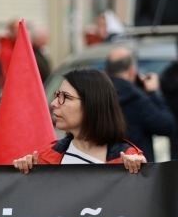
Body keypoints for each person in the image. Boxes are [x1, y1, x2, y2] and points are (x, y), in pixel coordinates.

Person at [13, 69, 146, 173]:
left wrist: (142, 173)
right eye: (57, 95)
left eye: (65, 97)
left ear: (93, 104)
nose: (54, 103)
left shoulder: (128, 161)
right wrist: (24, 173)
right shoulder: (45, 158)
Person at [105, 46, 175, 161]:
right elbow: (166, 126)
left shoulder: (99, 94)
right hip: (138, 167)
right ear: (132, 70)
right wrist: (152, 93)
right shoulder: (136, 97)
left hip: (107, 165)